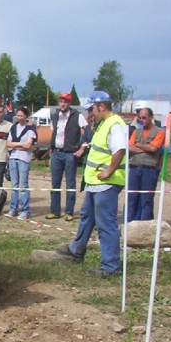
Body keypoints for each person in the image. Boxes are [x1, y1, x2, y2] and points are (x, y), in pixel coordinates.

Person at [55, 91, 127, 278]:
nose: (91, 113)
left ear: (101, 106)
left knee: (106, 224)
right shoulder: (104, 124)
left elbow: (119, 149)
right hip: (96, 183)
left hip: (106, 183)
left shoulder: (115, 124)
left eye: (92, 109)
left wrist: (109, 171)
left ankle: (110, 267)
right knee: (87, 216)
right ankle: (77, 250)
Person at [46, 92, 87, 221]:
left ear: (69, 103)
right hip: (56, 153)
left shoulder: (77, 116)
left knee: (70, 183)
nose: (63, 104)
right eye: (61, 101)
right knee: (55, 183)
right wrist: (51, 148)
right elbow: (53, 133)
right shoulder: (54, 115)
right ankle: (55, 211)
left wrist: (82, 148)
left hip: (70, 153)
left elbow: (85, 132)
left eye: (66, 102)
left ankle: (69, 212)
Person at [126, 107, 165, 221]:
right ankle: (130, 223)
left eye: (144, 118)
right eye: (140, 118)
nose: (142, 120)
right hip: (134, 167)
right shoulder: (136, 132)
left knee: (146, 200)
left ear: (151, 117)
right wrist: (145, 148)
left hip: (150, 169)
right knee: (132, 198)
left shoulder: (159, 132)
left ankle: (145, 223)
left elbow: (154, 148)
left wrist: (138, 145)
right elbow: (129, 147)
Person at [5, 107, 36, 219]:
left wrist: (16, 145)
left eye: (21, 115)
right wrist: (20, 145)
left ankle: (25, 210)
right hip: (13, 157)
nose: (19, 117)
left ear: (26, 116)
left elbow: (28, 145)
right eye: (17, 115)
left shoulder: (30, 129)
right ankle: (13, 209)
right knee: (14, 185)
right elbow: (8, 143)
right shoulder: (13, 127)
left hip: (24, 159)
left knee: (23, 185)